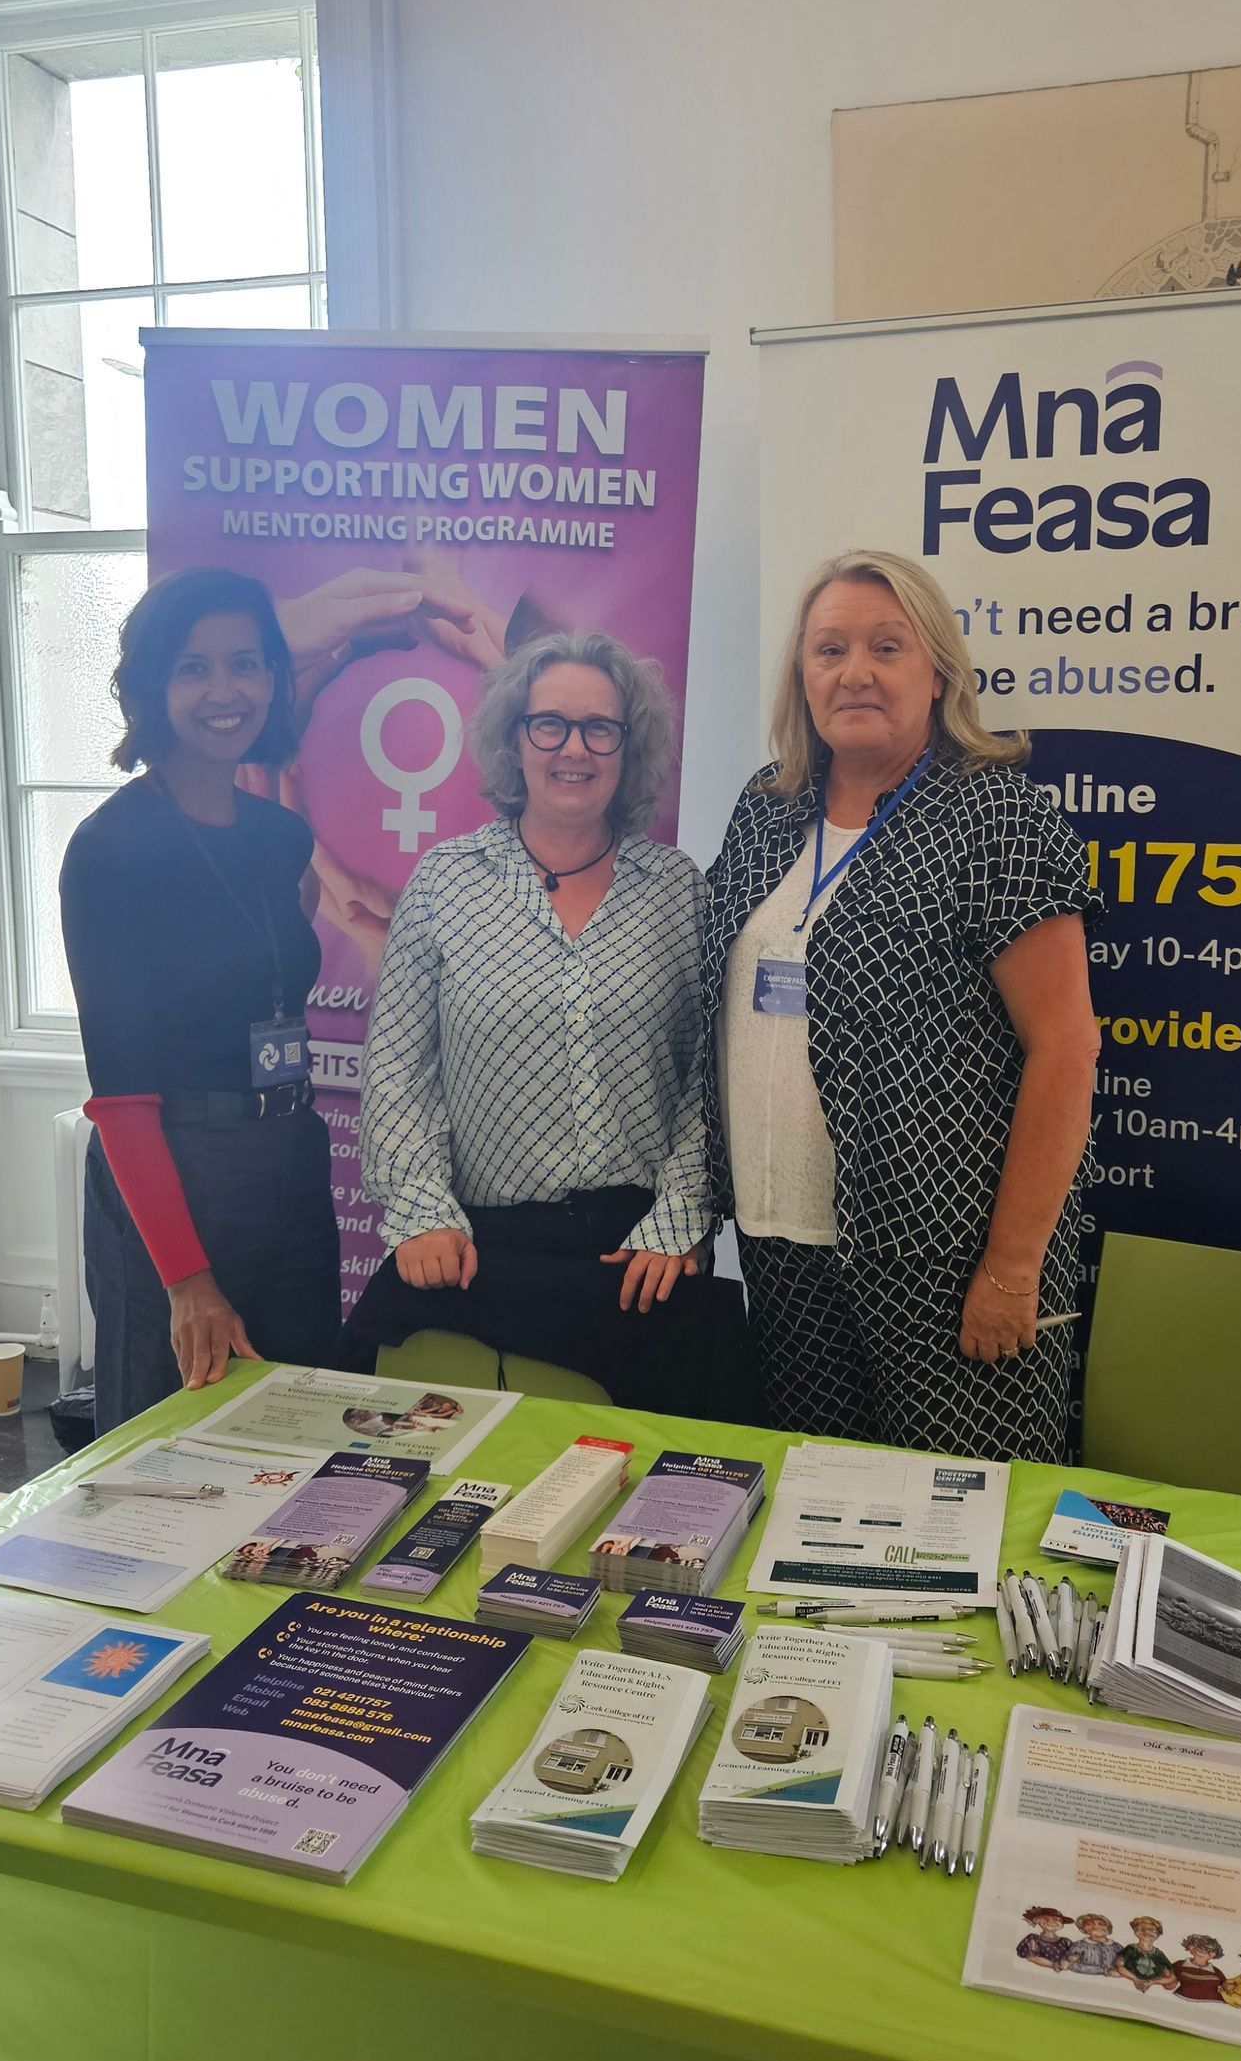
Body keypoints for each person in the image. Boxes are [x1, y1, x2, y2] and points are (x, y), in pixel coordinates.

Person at [703, 549, 1101, 1464]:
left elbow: (1066, 1049)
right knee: (822, 1523)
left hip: (946, 1262)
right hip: (781, 1246)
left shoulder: (996, 815)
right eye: (829, 649)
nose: (855, 672)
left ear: (939, 673)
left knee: (958, 1540)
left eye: (887, 646)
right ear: (801, 677)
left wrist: (1011, 1270)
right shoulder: (766, 809)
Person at [346, 630, 752, 1417]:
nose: (576, 748)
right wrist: (423, 1212)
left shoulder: (678, 891)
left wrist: (680, 1219)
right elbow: (398, 1071)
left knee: (674, 1506)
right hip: (480, 1255)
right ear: (514, 738)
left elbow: (713, 1075)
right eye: (550, 725)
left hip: (640, 1259)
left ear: (629, 748)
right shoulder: (445, 883)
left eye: (601, 727)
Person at [61, 567, 342, 1431]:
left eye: (246, 663)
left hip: (291, 1162)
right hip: (175, 1177)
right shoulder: (110, 851)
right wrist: (187, 1281)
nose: (226, 690)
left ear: (272, 680)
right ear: (152, 686)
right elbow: (120, 1093)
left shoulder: (283, 838)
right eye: (193, 668)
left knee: (299, 1428)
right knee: (166, 1453)